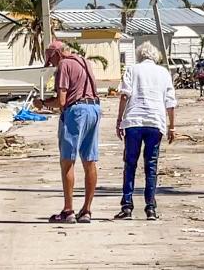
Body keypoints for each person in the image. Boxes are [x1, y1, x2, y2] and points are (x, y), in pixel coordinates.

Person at [114, 42, 176, 221]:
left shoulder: (132, 70)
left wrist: (120, 120)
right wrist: (172, 126)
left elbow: (125, 95)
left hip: (133, 121)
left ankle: (127, 206)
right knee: (151, 166)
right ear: (155, 56)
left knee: (130, 164)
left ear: (139, 55)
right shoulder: (164, 73)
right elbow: (170, 102)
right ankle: (151, 208)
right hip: (155, 122)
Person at [45, 40, 101, 224]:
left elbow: (62, 101)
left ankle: (68, 210)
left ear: (57, 54)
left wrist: (43, 104)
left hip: (76, 112)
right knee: (90, 160)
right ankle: (86, 210)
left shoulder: (64, 64)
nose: (52, 65)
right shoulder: (84, 62)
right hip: (94, 109)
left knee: (67, 160)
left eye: (51, 61)